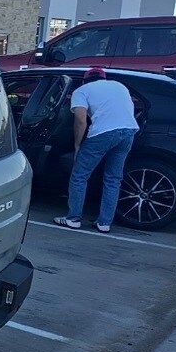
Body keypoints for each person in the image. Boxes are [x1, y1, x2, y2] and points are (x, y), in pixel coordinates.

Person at [54, 67, 139, 233]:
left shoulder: (82, 91)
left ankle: (73, 218)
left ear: (85, 80)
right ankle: (104, 223)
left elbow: (80, 119)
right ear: (104, 78)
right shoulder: (119, 86)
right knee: (113, 179)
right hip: (128, 132)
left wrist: (78, 145)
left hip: (103, 133)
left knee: (79, 176)